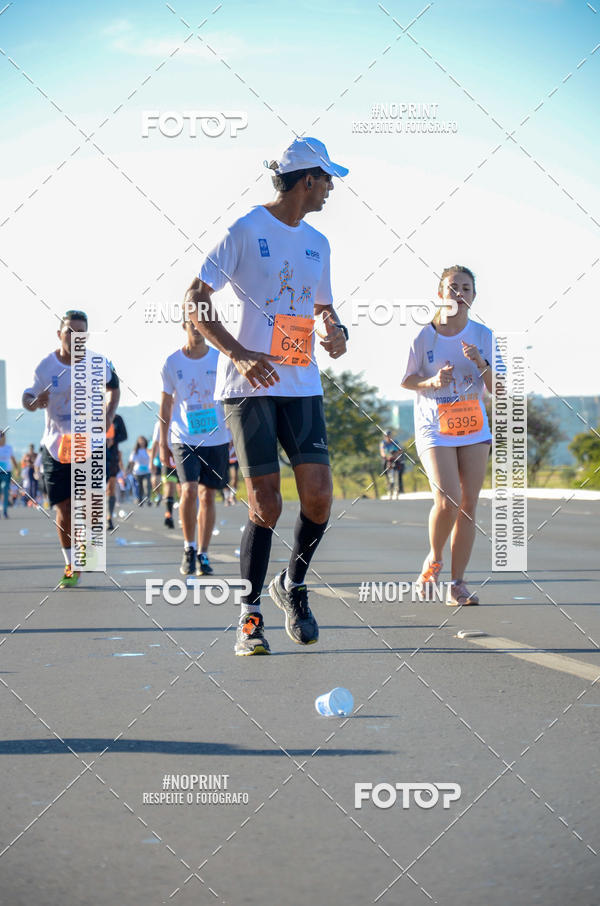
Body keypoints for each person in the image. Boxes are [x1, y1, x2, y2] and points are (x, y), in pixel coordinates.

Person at [185, 136, 349, 655]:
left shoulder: (318, 243)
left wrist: (334, 326)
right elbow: (194, 298)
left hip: (300, 382)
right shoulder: (245, 229)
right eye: (327, 180)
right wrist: (236, 353)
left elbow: (322, 305)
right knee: (267, 504)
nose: (330, 189)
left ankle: (293, 586)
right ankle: (250, 615)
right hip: (247, 387)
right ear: (307, 180)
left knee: (320, 494)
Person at [401, 265, 494, 606]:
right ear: (440, 293)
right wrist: (433, 383)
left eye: (466, 288)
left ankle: (457, 584)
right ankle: (434, 558)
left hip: (472, 424)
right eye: (453, 287)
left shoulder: (483, 335)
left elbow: (497, 387)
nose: (459, 293)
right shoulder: (424, 336)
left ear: (473, 295)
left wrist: (480, 361)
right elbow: (408, 380)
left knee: (468, 505)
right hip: (434, 424)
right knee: (448, 499)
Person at [22, 310, 120, 588]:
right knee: (63, 506)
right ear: (59, 334)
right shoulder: (46, 367)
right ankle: (70, 564)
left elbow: (114, 387)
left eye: (81, 333)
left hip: (89, 445)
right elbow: (27, 397)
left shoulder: (98, 363)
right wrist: (34, 401)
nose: (76, 337)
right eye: (70, 332)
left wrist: (109, 414)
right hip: (56, 446)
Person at [160, 318, 230, 577]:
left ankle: (203, 552)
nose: (197, 331)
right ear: (184, 326)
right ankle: (189, 547)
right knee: (188, 490)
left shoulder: (221, 359)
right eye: (192, 325)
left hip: (216, 437)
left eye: (202, 326)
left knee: (207, 496)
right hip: (183, 437)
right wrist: (162, 444)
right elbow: (166, 405)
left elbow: (231, 395)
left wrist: (233, 433)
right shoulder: (172, 363)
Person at [150, 417, 179, 529]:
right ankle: (169, 514)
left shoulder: (184, 417)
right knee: (169, 487)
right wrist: (151, 462)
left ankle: (184, 515)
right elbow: (155, 444)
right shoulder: (160, 423)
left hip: (185, 458)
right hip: (168, 460)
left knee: (183, 490)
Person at [106, 413, 128, 530]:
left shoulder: (117, 418)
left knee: (111, 487)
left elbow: (124, 435)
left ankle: (109, 517)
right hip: (94, 455)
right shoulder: (90, 417)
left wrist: (113, 440)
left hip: (112, 456)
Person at [379, 429, 404, 499]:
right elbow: (382, 452)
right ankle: (389, 491)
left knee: (397, 474)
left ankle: (397, 491)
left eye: (389, 436)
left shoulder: (395, 442)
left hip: (395, 458)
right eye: (386, 436)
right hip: (388, 459)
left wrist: (396, 455)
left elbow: (400, 450)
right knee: (388, 475)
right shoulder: (383, 443)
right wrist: (386, 456)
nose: (388, 437)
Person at [0, 431, 19, 518]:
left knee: (5, 490)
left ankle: (4, 511)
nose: (2, 438)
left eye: (3, 436)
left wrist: (16, 469)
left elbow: (13, 458)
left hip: (6, 473)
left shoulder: (9, 447)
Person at [129, 437, 152, 506]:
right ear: (138, 442)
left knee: (147, 485)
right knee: (139, 486)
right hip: (137, 472)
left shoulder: (148, 450)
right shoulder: (135, 451)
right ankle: (140, 499)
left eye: (143, 441)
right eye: (140, 441)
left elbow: (152, 458)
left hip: (147, 471)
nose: (142, 442)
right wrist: (130, 470)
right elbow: (131, 462)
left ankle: (148, 499)